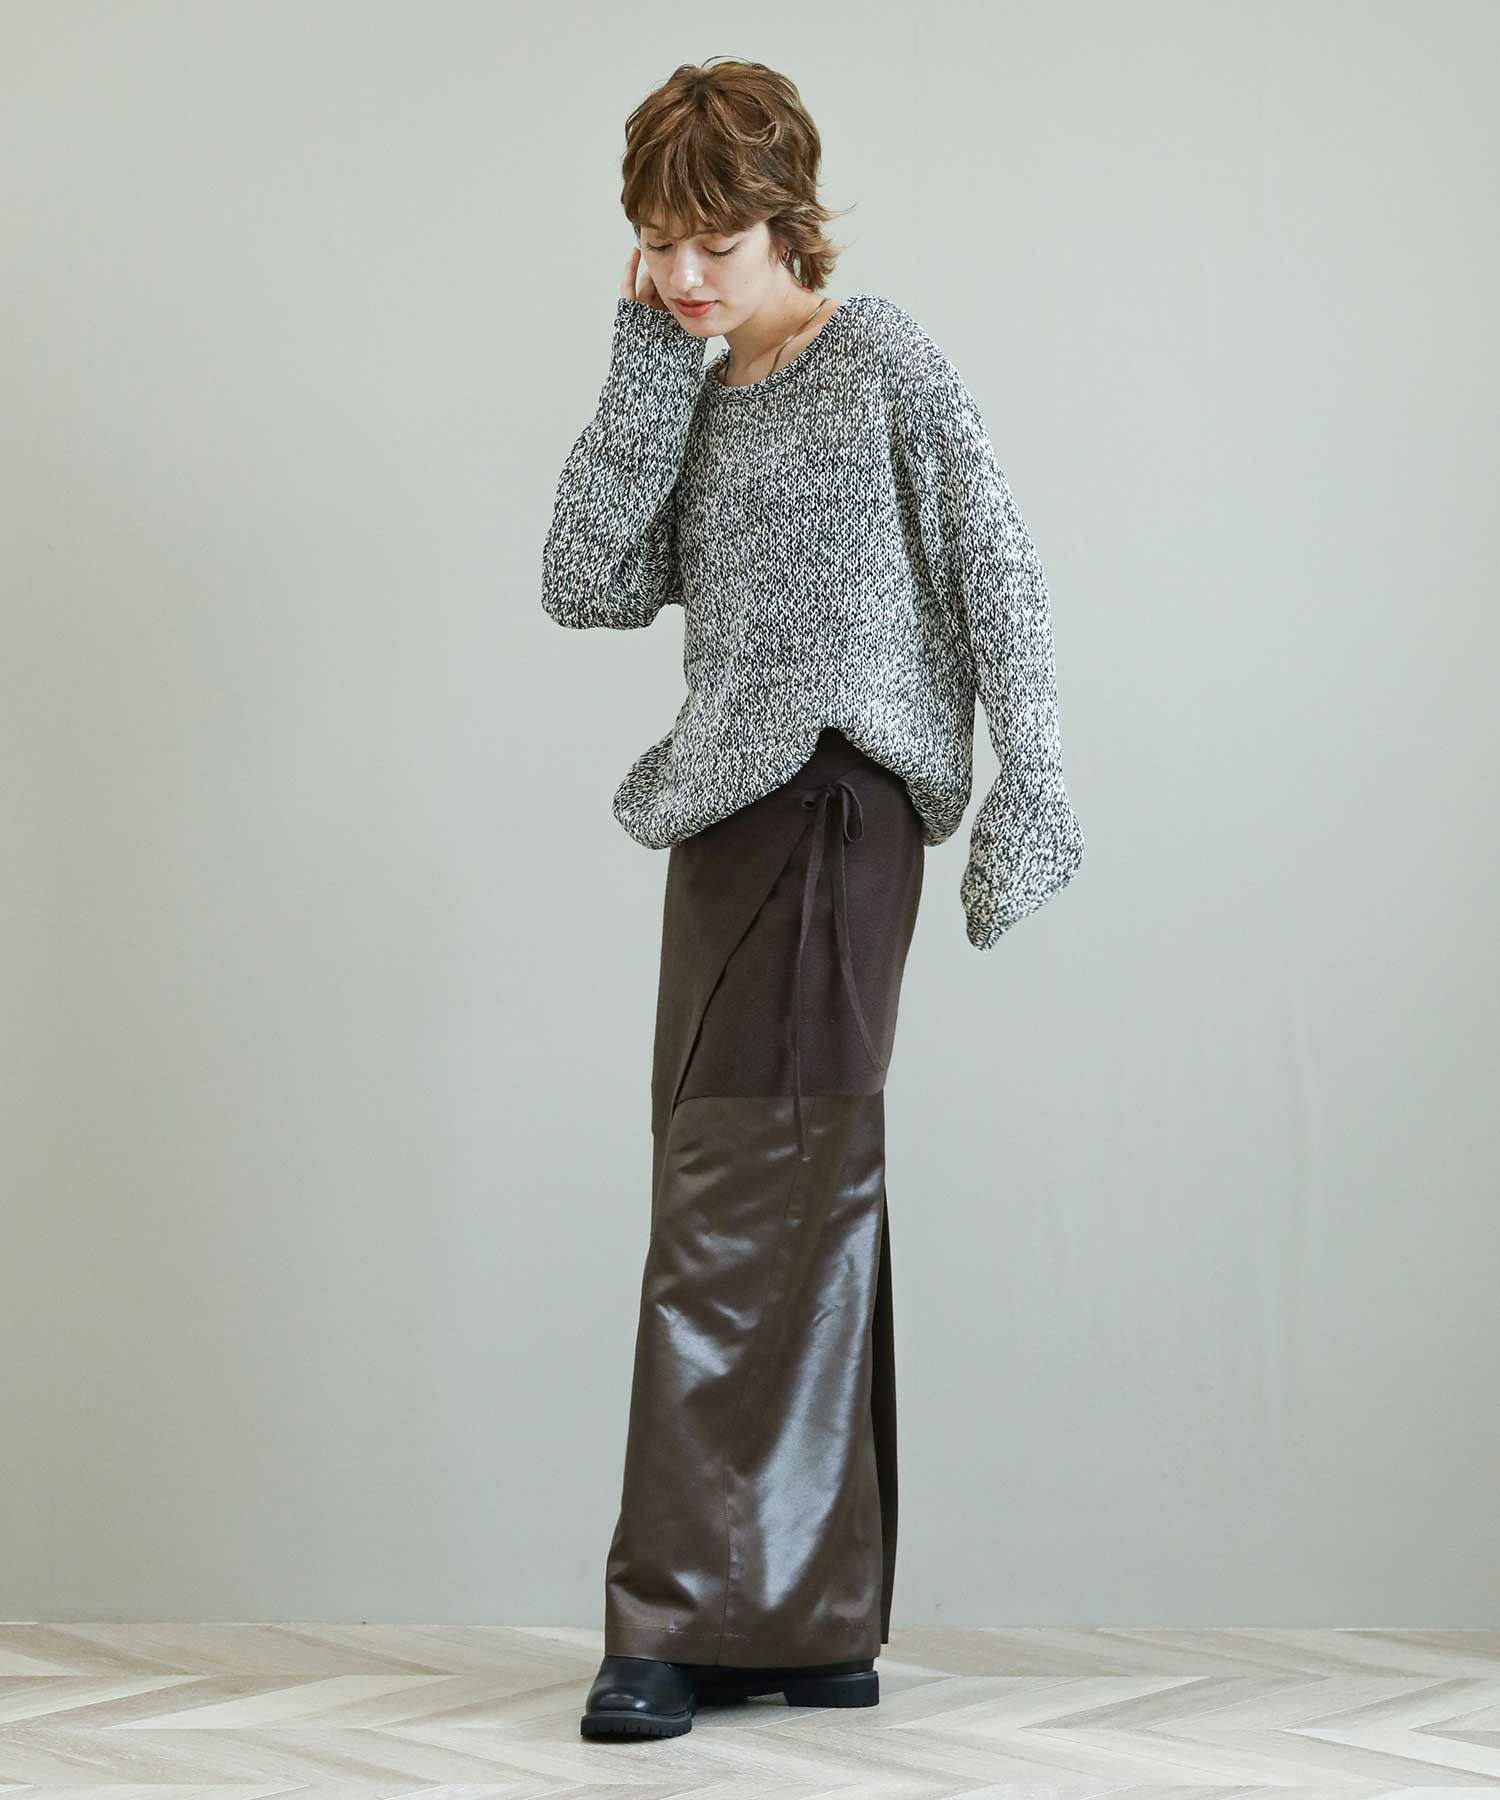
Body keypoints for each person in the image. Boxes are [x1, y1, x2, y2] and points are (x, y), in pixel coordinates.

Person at [539, 57, 1084, 1741]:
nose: (686, 273)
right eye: (658, 242)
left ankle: (673, 1628)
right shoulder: (698, 390)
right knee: (783, 1196)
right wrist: (645, 363)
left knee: (744, 1198)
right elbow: (584, 580)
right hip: (725, 821)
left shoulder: (881, 358)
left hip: (840, 813)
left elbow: (1000, 565)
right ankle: (807, 1617)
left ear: (788, 219)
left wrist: (1033, 785)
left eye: (714, 241)